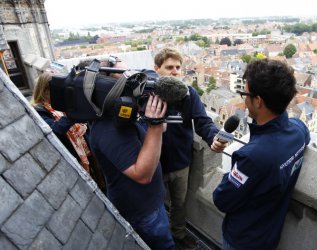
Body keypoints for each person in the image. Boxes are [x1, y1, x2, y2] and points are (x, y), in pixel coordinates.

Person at [213, 59, 310, 250]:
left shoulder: (252, 157)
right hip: (269, 234)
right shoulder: (299, 130)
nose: (243, 99)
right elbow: (302, 135)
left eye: (245, 94)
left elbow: (222, 199)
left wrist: (232, 171)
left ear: (258, 101)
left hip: (243, 239)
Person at [154, 48, 227, 248]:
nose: (175, 72)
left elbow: (202, 121)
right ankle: (159, 240)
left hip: (180, 163)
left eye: (178, 67)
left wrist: (213, 137)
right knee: (154, 206)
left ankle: (177, 234)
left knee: (179, 204)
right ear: (157, 69)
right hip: (154, 164)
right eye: (169, 67)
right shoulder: (148, 93)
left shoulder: (188, 94)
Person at [89, 92, 175, 250]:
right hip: (141, 211)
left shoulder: (124, 115)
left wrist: (156, 113)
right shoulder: (107, 128)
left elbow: (161, 129)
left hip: (152, 202)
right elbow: (142, 175)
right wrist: (154, 123)